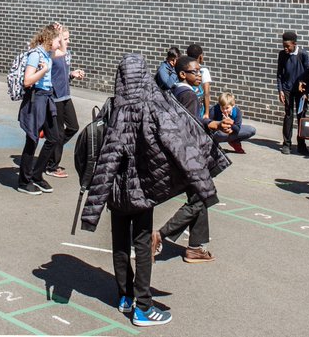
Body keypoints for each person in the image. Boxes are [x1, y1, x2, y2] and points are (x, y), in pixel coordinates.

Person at [80, 53, 229, 327]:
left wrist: (92, 210)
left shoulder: (112, 107)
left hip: (115, 191)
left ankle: (125, 296)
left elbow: (106, 158)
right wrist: (205, 185)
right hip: (143, 188)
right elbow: (179, 144)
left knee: (119, 243)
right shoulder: (153, 106)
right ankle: (143, 307)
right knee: (141, 243)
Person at [155, 57, 223, 263]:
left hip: (178, 153)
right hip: (190, 156)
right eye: (195, 72)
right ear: (183, 74)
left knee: (200, 196)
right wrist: (210, 126)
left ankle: (195, 247)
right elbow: (190, 127)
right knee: (200, 198)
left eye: (200, 71)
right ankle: (160, 235)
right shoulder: (190, 96)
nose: (199, 75)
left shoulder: (173, 91)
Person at [15, 25, 61, 195]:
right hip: (36, 98)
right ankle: (24, 181)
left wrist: (59, 31)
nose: (60, 44)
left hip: (47, 98)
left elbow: (63, 51)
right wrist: (44, 70)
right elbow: (27, 81)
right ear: (49, 40)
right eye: (58, 40)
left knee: (54, 138)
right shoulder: (36, 55)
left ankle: (36, 174)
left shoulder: (48, 53)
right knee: (32, 140)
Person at [45, 23, 85, 179]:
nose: (68, 41)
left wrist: (72, 74)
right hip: (55, 97)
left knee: (73, 127)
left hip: (66, 95)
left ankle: (52, 150)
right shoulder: (51, 54)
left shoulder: (65, 54)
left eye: (67, 38)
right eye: (65, 38)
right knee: (59, 133)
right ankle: (51, 166)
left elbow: (63, 74)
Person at [275, 30, 309, 155]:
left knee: (301, 116)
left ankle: (301, 144)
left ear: (294, 44)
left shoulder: (303, 54)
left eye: (288, 46)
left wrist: (306, 91)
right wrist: (280, 90)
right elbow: (279, 73)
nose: (285, 48)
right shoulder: (282, 55)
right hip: (287, 89)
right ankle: (287, 144)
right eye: (283, 46)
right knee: (288, 115)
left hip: (301, 91)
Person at [186, 43, 212, 117]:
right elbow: (206, 93)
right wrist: (207, 113)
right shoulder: (203, 70)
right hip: (199, 109)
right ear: (200, 56)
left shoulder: (184, 69)